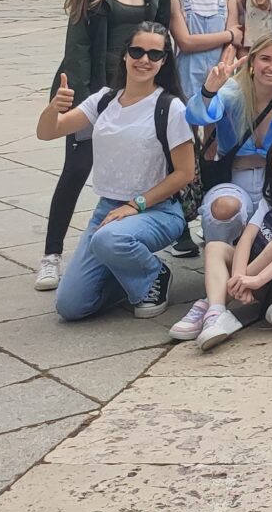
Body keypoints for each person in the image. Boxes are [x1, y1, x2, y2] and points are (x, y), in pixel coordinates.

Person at [40, 0, 174, 290]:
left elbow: (163, 40)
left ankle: (133, 243)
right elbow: (77, 47)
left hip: (142, 88)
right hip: (97, 88)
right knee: (77, 168)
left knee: (149, 164)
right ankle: (51, 254)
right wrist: (83, 100)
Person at [38, 23, 194, 321]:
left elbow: (185, 173)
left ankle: (154, 276)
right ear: (124, 55)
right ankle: (125, 276)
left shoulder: (169, 107)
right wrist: (53, 109)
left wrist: (136, 204)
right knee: (71, 306)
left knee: (110, 240)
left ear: (164, 61)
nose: (144, 60)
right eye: (137, 51)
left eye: (154, 54)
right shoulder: (105, 100)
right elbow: (49, 132)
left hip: (157, 209)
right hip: (108, 210)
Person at [173, 133, 272, 350]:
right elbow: (248, 236)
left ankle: (209, 304)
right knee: (215, 247)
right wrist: (241, 277)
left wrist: (256, 280)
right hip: (261, 267)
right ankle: (216, 312)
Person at [184, 30, 272, 271]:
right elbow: (197, 115)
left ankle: (260, 275)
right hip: (234, 179)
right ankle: (219, 266)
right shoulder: (231, 93)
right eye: (265, 59)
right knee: (223, 208)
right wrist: (209, 90)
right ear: (252, 62)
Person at [170, 0, 234, 108]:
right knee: (186, 121)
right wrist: (228, 34)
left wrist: (221, 71)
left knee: (214, 124)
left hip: (219, 73)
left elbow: (232, 45)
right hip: (186, 75)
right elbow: (185, 42)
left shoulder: (229, 1)